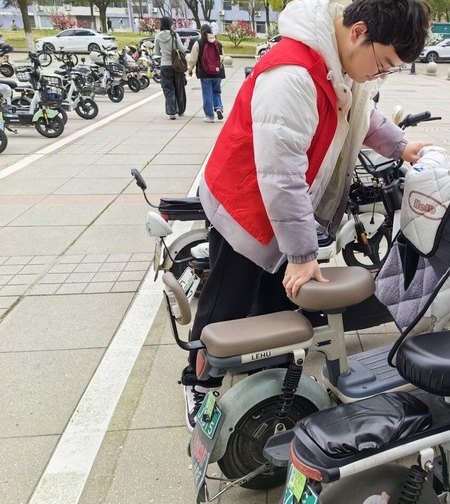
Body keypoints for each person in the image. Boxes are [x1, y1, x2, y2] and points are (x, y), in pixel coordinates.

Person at [179, 0, 431, 431]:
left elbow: (362, 116)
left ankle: (270, 381)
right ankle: (198, 382)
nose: (380, 75)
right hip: (243, 206)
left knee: (279, 301)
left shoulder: (340, 67)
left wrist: (401, 146)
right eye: (383, 64)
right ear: (359, 32)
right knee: (225, 305)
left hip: (281, 207)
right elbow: (280, 179)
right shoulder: (293, 75)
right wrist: (301, 253)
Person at [187, 24, 225, 122]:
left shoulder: (199, 43)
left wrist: (190, 69)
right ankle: (218, 107)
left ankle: (209, 116)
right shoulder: (218, 43)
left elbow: (193, 59)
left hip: (205, 73)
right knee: (216, 92)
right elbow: (222, 58)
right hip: (217, 72)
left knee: (207, 94)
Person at [154, 16, 187, 119]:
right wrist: (187, 43)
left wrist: (165, 54)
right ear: (170, 24)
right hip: (176, 65)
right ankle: (180, 110)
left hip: (164, 65)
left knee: (168, 89)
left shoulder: (158, 36)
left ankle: (171, 112)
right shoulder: (174, 35)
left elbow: (157, 52)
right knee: (179, 88)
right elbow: (182, 49)